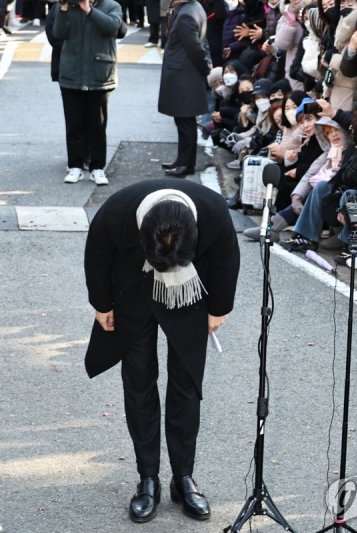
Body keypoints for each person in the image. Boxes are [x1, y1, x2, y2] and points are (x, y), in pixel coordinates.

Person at [83, 179, 239, 523]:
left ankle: (183, 478)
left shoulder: (212, 210)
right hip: (131, 290)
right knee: (139, 382)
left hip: (189, 291)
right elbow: (96, 254)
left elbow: (227, 258)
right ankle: (147, 479)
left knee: (186, 385)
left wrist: (219, 308)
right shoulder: (118, 211)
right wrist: (101, 303)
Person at [53, 0, 122, 185]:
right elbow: (58, 33)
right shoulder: (68, 6)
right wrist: (64, 9)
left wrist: (89, 10)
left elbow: (112, 27)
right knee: (73, 124)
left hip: (99, 76)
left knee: (97, 126)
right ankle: (74, 166)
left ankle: (97, 168)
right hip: (72, 75)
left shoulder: (111, 5)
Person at [158, 0, 211, 178]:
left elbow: (195, 48)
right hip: (185, 73)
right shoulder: (192, 8)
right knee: (183, 121)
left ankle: (185, 164)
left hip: (184, 75)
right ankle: (182, 161)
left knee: (185, 122)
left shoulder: (186, 14)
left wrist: (205, 66)